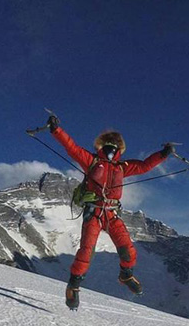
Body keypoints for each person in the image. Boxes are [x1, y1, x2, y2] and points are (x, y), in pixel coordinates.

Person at [46, 114, 174, 310]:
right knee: (86, 251)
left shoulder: (122, 167)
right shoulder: (92, 161)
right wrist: (56, 130)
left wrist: (163, 154)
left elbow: (145, 166)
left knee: (127, 249)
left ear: (119, 149)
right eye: (109, 144)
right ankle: (73, 285)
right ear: (101, 145)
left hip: (111, 213)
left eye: (115, 145)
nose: (112, 148)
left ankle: (125, 275)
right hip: (94, 213)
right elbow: (71, 148)